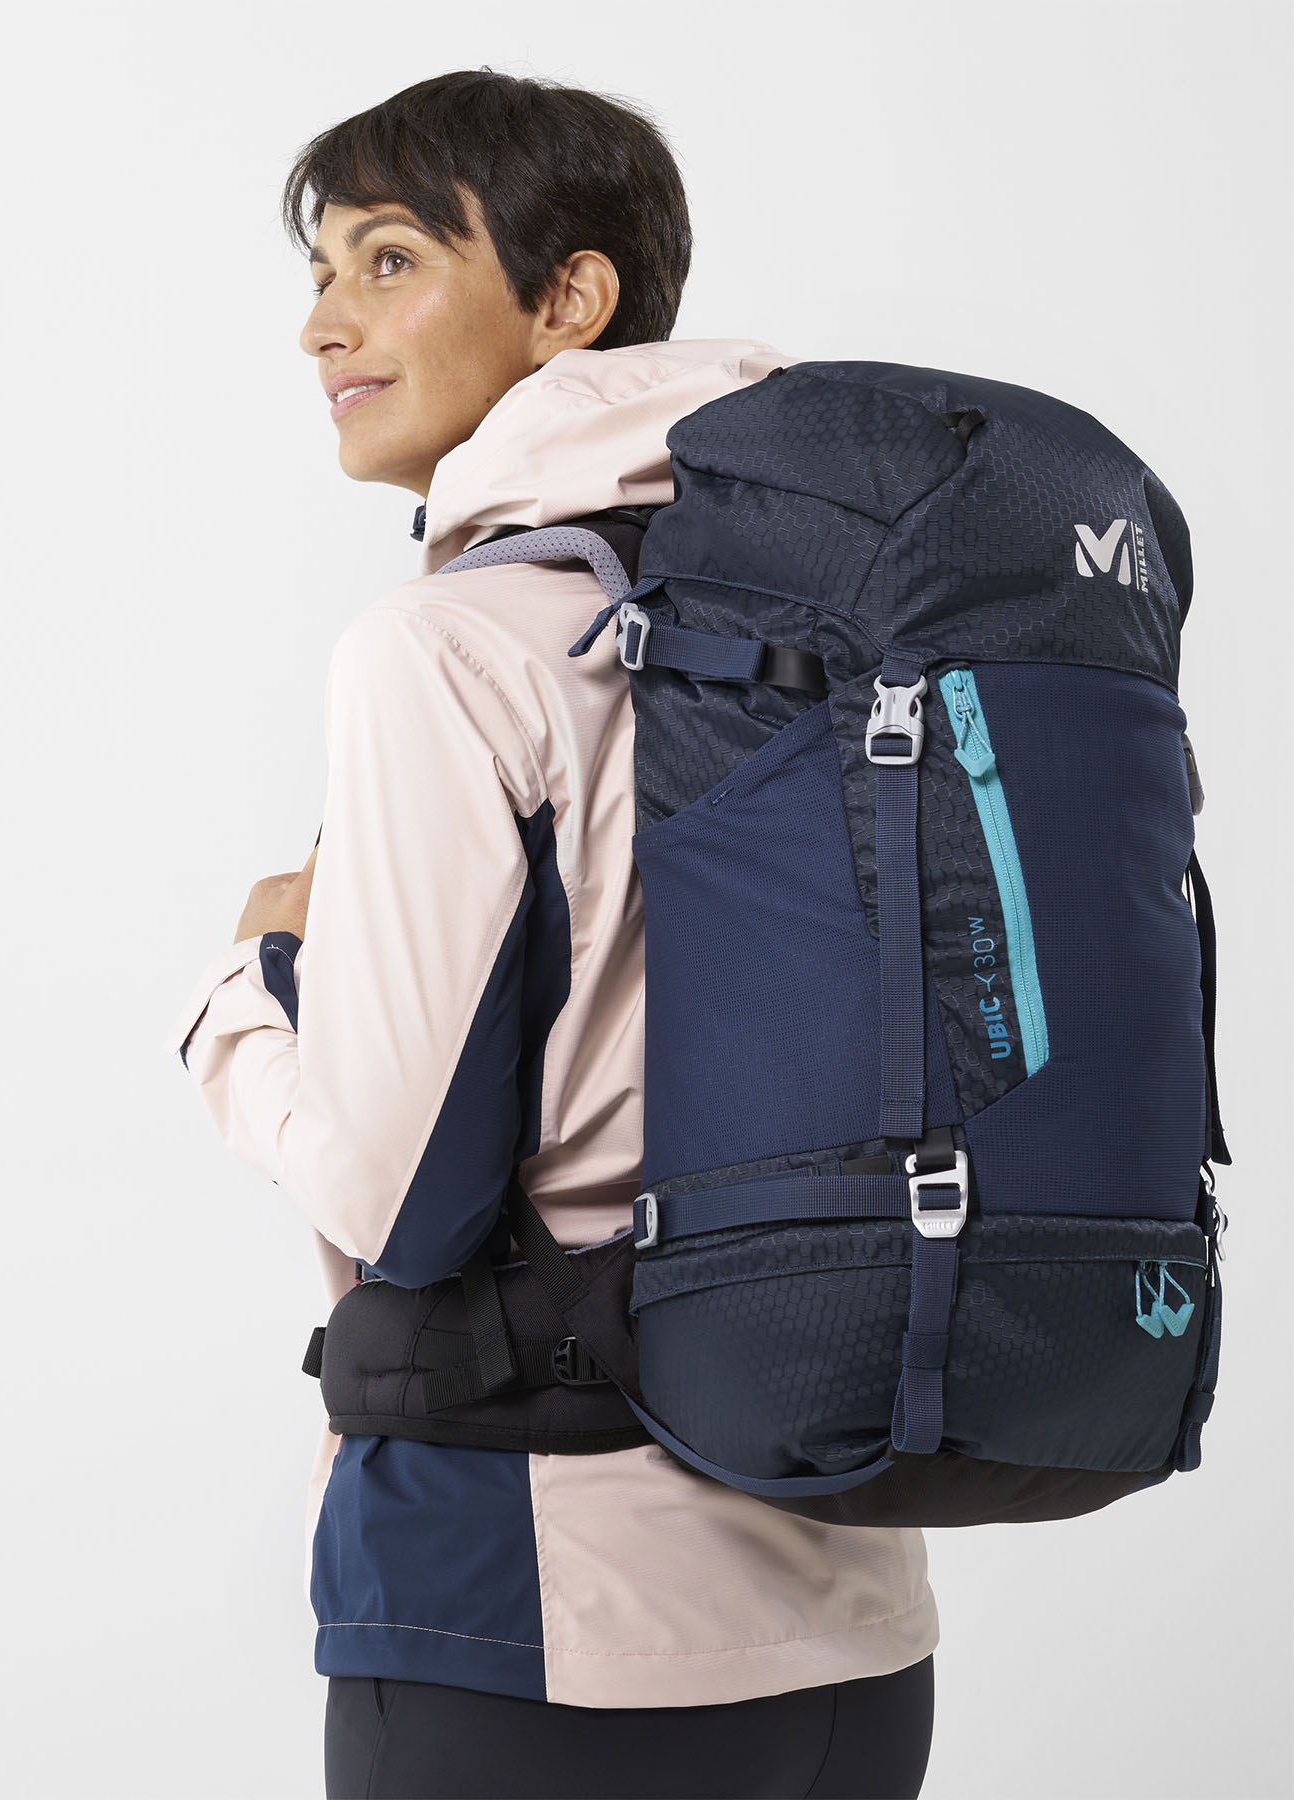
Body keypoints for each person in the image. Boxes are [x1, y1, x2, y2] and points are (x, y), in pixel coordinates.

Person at [162, 68, 937, 1800]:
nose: (321, 325)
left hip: (534, 1624)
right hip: (853, 1622)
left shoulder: (449, 649)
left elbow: (400, 1198)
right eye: (320, 274)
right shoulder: (832, 634)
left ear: (570, 298)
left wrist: (245, 997)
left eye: (387, 261)